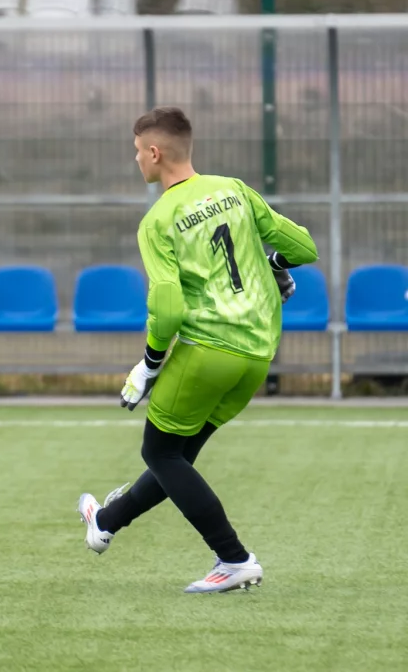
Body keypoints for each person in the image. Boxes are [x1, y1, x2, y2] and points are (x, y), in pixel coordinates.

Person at [77, 107, 318, 593]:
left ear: (153, 152)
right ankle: (105, 521)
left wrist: (147, 368)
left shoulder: (158, 219)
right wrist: (274, 262)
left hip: (208, 350)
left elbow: (166, 308)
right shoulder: (233, 188)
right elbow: (303, 247)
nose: (136, 161)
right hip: (257, 352)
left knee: (159, 452)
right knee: (176, 455)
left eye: (135, 152)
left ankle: (234, 558)